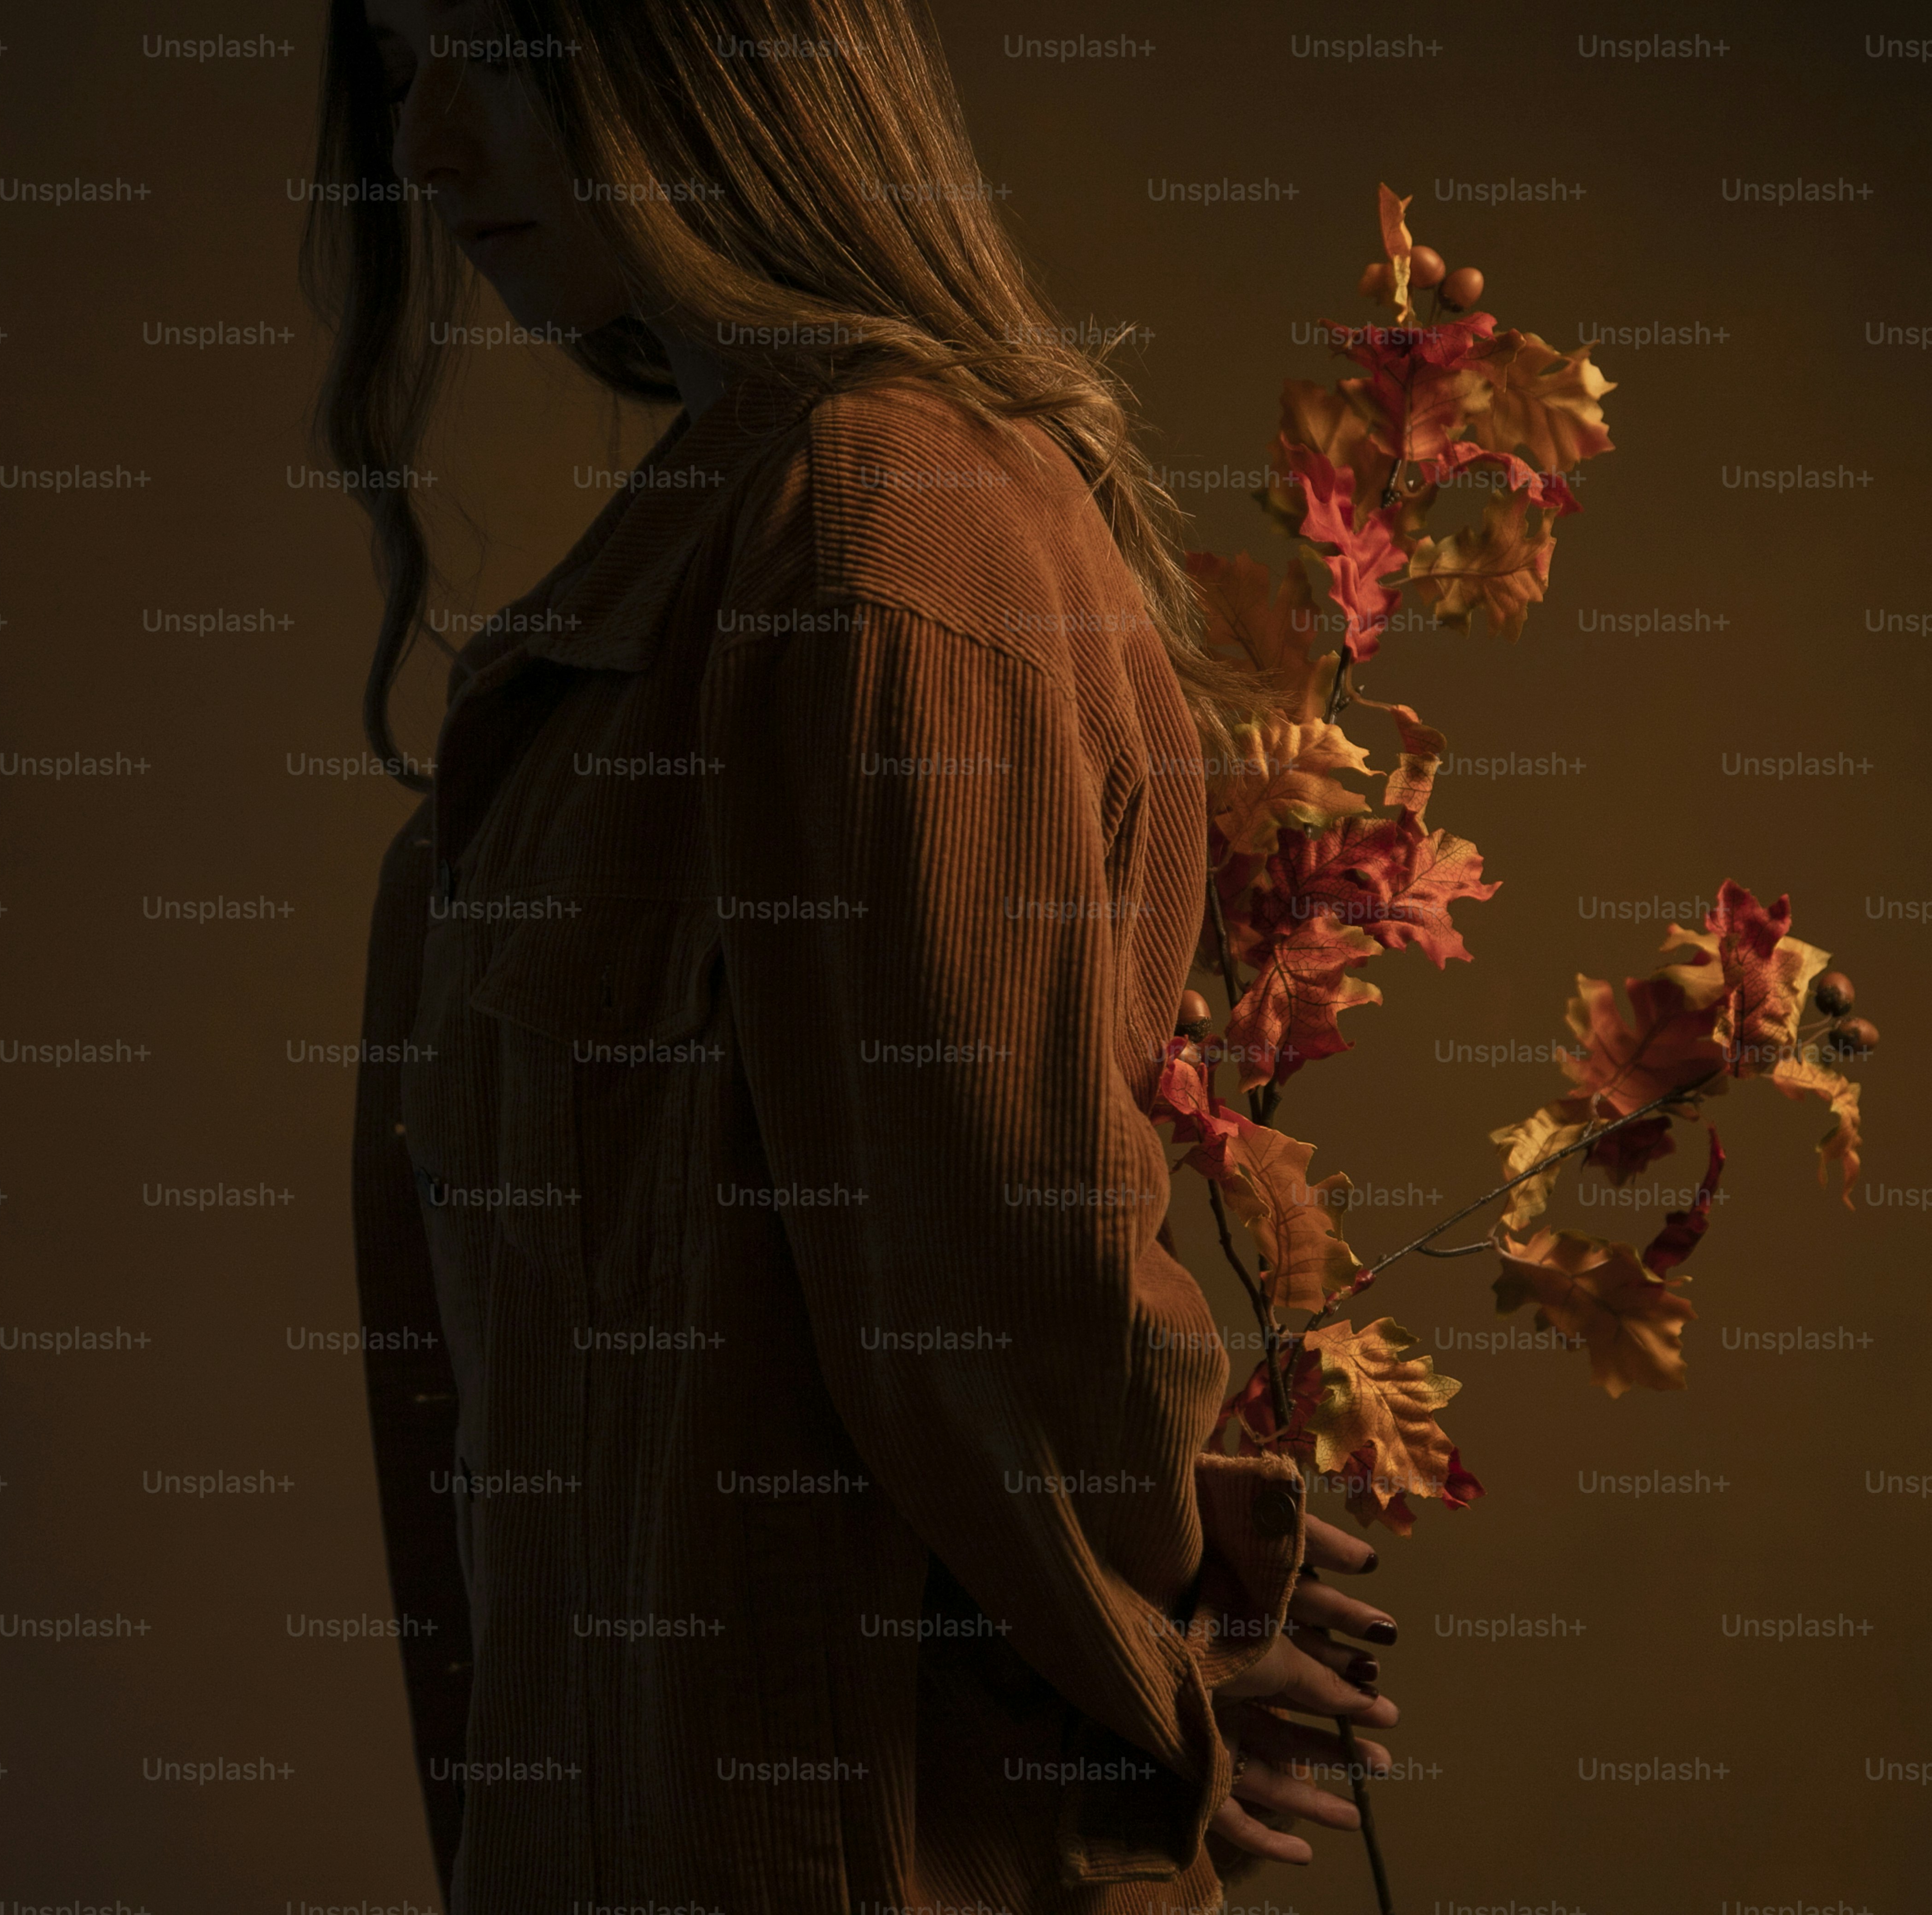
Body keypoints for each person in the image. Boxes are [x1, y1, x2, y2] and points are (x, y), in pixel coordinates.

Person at [309, 3, 1403, 1907]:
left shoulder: (876, 530)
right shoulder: (704, 572)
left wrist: (1160, 1662)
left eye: (490, 62)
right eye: (405, 82)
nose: (432, 156)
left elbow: (995, 1262)